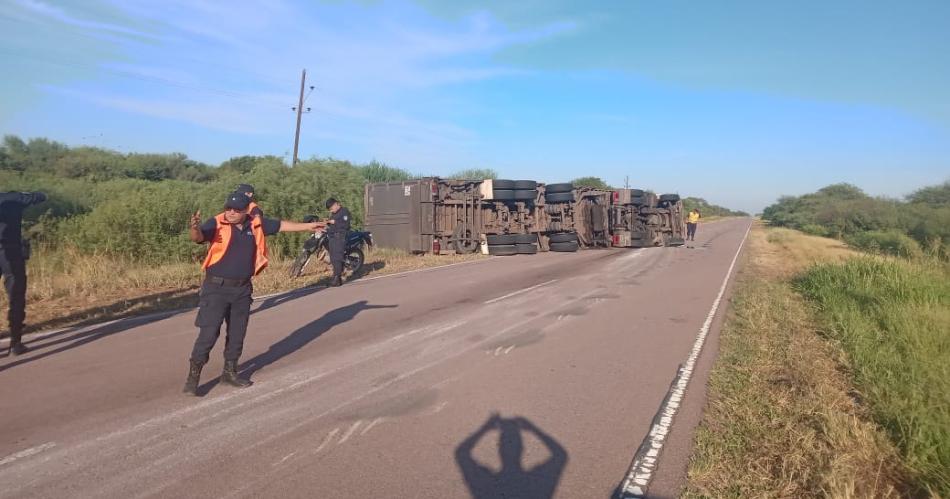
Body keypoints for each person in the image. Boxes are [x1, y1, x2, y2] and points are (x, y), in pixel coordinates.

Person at [183, 192, 322, 395]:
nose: (230, 212)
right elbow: (199, 237)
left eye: (236, 210)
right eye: (228, 208)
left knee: (237, 334)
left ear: (246, 210)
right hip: (216, 289)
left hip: (242, 289)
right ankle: (193, 378)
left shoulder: (255, 224)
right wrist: (194, 228)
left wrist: (309, 226)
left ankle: (229, 373)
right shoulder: (216, 223)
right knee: (209, 332)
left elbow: (282, 225)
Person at [1, 191, 47, 356]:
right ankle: (15, 342)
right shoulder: (14, 198)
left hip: (9, 251)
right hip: (11, 252)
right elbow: (40, 196)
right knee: (16, 296)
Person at [325, 197, 351, 287]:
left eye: (331, 208)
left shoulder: (344, 212)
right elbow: (332, 225)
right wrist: (327, 224)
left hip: (339, 237)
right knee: (333, 259)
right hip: (332, 238)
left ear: (336, 204)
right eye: (330, 210)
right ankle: (336, 278)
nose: (331, 211)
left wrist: (334, 222)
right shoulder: (333, 214)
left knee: (337, 258)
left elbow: (346, 225)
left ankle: (337, 279)